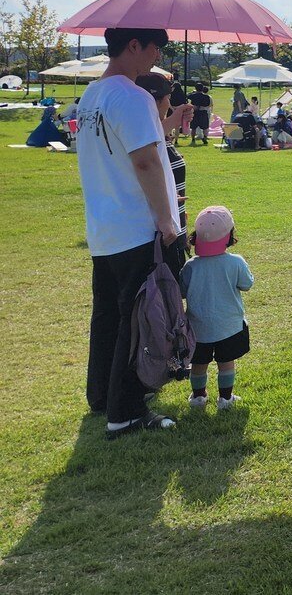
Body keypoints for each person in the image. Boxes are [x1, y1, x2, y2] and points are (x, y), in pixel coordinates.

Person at [77, 27, 186, 439]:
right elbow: (146, 163)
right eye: (155, 47)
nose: (157, 56)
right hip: (135, 225)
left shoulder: (93, 95)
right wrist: (166, 219)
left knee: (108, 315)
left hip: (104, 226)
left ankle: (103, 394)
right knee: (138, 318)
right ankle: (126, 412)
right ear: (134, 45)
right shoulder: (133, 96)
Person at [181, 206, 253, 411]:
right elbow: (247, 284)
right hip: (229, 325)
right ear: (229, 236)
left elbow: (182, 291)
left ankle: (198, 396)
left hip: (198, 327)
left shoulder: (191, 266)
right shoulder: (235, 262)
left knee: (198, 364)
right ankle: (225, 398)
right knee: (226, 361)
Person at [134, 74, 191, 234]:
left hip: (173, 223)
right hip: (160, 229)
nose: (169, 103)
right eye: (168, 98)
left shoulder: (158, 134)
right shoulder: (143, 137)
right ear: (155, 101)